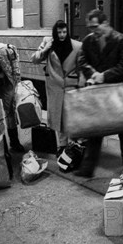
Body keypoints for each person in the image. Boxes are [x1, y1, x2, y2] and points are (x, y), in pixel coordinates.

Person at [75, 9, 123, 175]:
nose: (93, 31)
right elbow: (82, 61)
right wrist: (92, 74)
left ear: (105, 23)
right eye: (90, 28)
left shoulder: (121, 40)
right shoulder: (88, 41)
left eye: (95, 26)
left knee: (122, 125)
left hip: (116, 89)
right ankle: (87, 168)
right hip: (98, 90)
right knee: (96, 127)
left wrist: (104, 75)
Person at [31, 20, 82, 155]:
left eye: (64, 32)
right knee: (58, 118)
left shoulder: (77, 46)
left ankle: (73, 146)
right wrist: (46, 49)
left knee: (70, 117)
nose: (62, 35)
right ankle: (62, 146)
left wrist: (81, 84)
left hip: (71, 87)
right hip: (55, 88)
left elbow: (81, 67)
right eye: (59, 32)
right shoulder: (48, 42)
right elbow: (34, 59)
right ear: (55, 32)